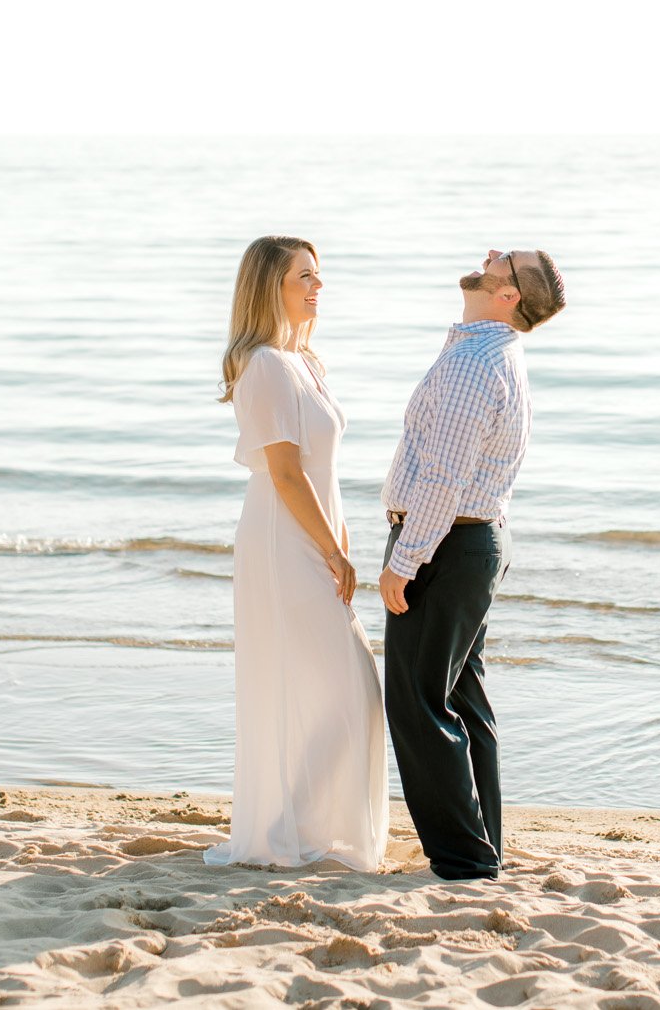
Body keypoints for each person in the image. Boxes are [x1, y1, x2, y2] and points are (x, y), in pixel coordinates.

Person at [378, 248, 566, 881]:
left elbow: (442, 480)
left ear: (509, 294)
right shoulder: (492, 354)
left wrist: (404, 560)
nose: (487, 257)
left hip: (445, 543)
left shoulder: (472, 363)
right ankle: (482, 847)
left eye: (502, 261)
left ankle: (464, 859)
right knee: (461, 697)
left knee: (418, 703)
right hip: (471, 541)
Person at [205, 235, 387, 871]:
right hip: (285, 541)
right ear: (269, 289)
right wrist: (333, 550)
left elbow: (317, 468)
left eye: (318, 275)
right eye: (302, 277)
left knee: (347, 686)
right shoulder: (264, 365)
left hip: (309, 531)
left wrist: (340, 536)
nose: (317, 287)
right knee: (353, 684)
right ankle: (284, 826)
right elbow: (285, 474)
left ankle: (295, 821)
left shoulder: (303, 361)